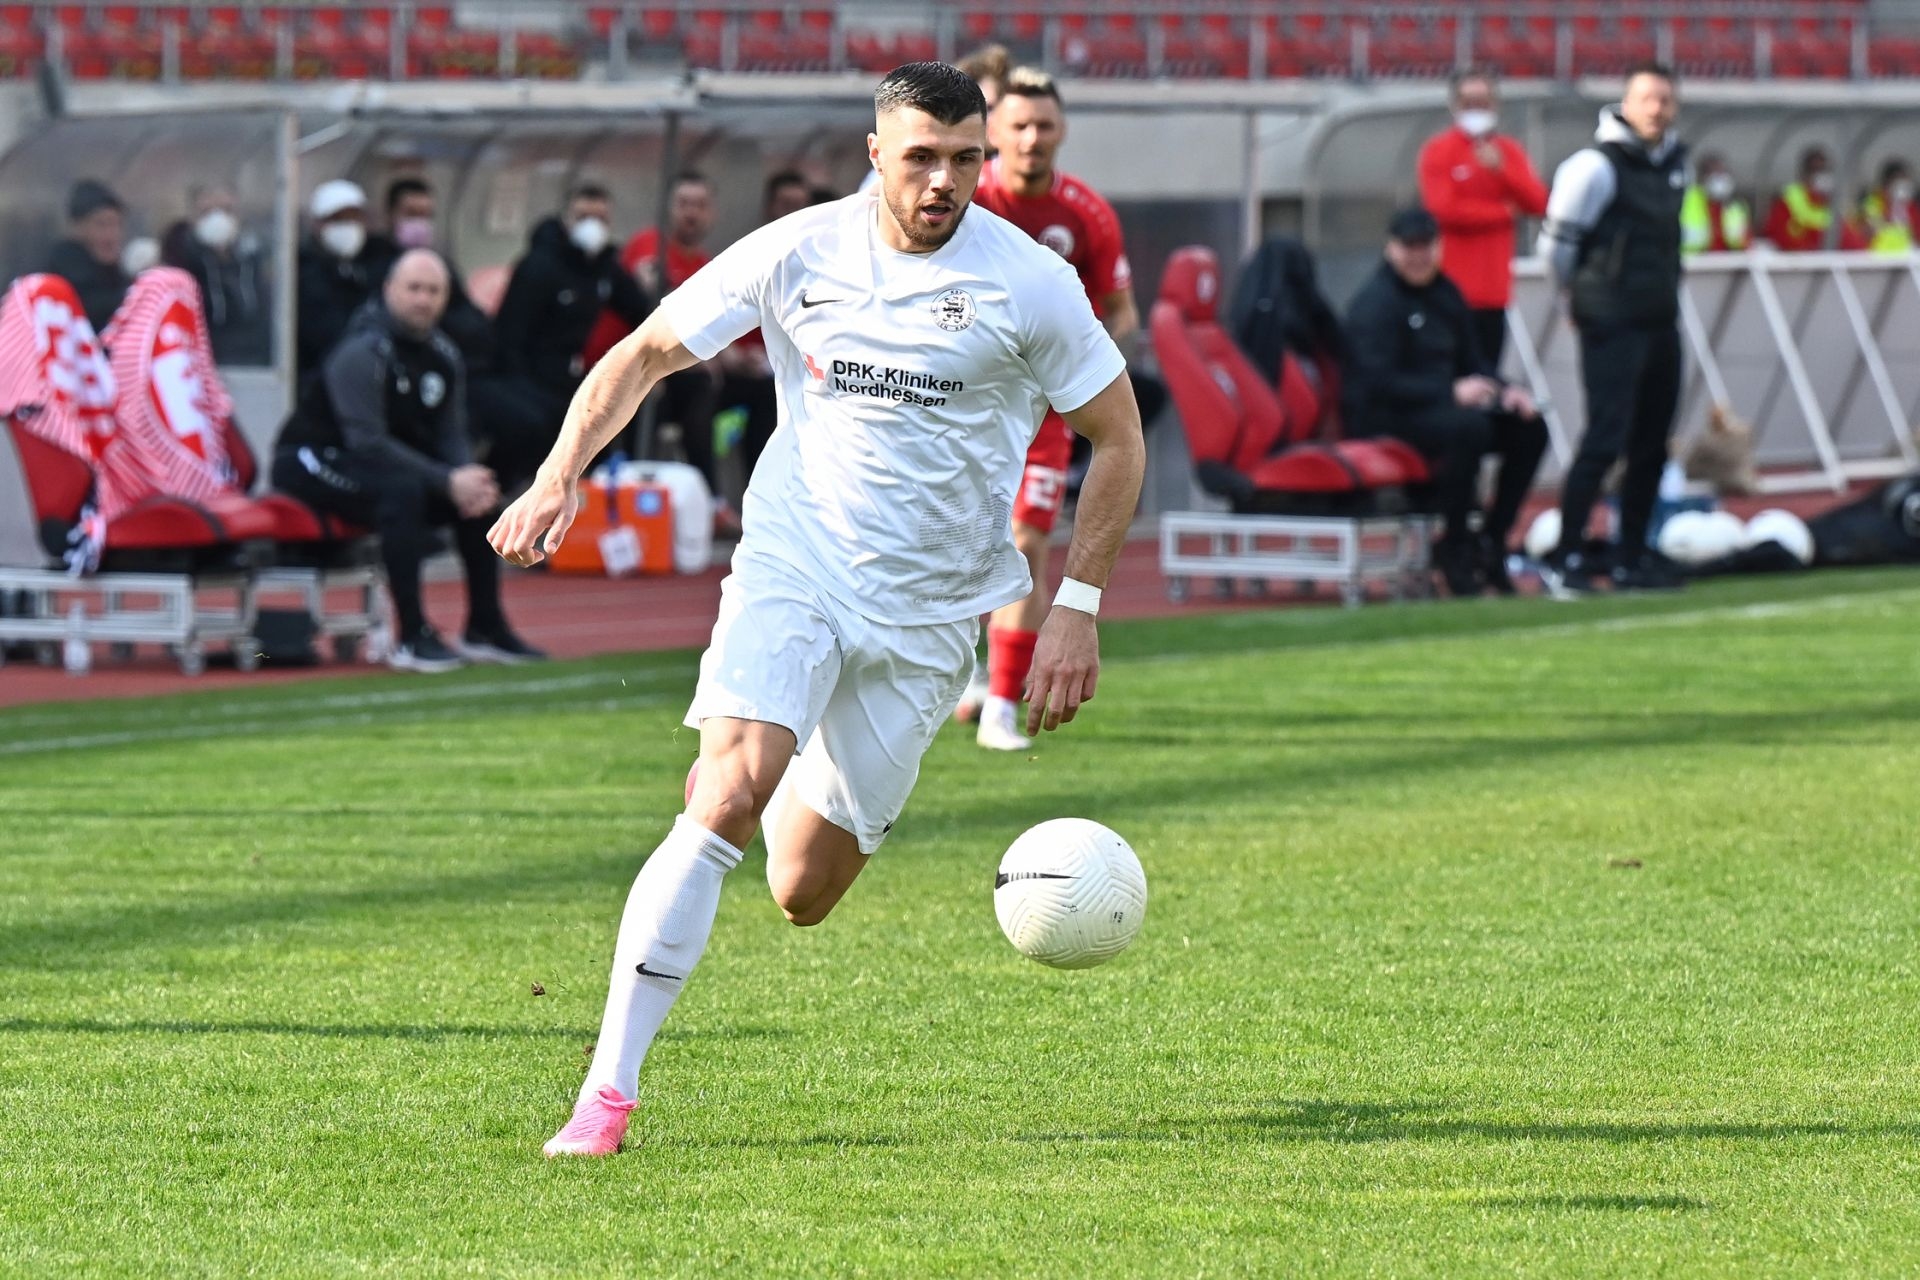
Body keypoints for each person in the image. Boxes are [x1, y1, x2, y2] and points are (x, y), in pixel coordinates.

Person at [489, 62, 1143, 1158]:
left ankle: (776, 751)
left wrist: (1075, 606)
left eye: (964, 160)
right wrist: (559, 475)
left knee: (800, 890)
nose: (943, 182)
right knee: (726, 792)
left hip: (931, 615)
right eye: (921, 157)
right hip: (798, 564)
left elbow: (1118, 436)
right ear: (876, 153)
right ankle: (605, 1093)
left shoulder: (1030, 281)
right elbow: (646, 352)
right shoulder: (800, 248)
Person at [964, 65, 1137, 752]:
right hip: (961, 408)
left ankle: (1000, 705)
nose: (1032, 138)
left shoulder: (1086, 213)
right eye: (1019, 125)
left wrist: (1083, 363)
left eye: (1044, 125)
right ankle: (961, 674)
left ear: (1061, 130)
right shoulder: (966, 199)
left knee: (1024, 546)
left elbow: (1122, 308)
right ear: (995, 132)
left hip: (1042, 416)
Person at [272, 249, 543, 672]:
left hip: (378, 465)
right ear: (389, 290)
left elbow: (450, 432)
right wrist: (446, 480)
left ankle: (485, 626)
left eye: (433, 291)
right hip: (314, 460)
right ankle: (412, 635)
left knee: (480, 497)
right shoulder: (363, 350)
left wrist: (465, 477)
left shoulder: (442, 354)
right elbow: (367, 442)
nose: (423, 299)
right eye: (414, 288)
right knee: (404, 493)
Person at [1537, 63, 1689, 595]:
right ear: (1626, 103)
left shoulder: (1676, 165)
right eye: (1647, 98)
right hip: (1612, 319)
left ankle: (1631, 556)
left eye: (1665, 99)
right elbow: (1556, 247)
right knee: (1604, 440)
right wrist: (1575, 298)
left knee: (1652, 444)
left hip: (1660, 319)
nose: (1656, 109)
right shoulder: (1594, 167)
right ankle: (1566, 556)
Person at [1344, 207, 1547, 597]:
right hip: (1389, 415)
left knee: (1529, 428)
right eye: (1410, 247)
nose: (1419, 256)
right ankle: (1454, 545)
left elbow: (1472, 360)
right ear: (1391, 248)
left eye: (1426, 246)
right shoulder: (1376, 304)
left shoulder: (1446, 294)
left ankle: (1492, 541)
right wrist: (1449, 392)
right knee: (1468, 428)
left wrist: (1506, 390)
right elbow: (1375, 381)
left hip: (1440, 410)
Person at [490, 184, 654, 487]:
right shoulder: (539, 266)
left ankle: (617, 490)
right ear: (566, 219)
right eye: (583, 217)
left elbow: (640, 309)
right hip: (533, 378)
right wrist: (520, 386)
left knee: (622, 406)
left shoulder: (603, 267)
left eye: (601, 218)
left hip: (572, 376)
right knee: (542, 424)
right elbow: (510, 335)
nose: (592, 226)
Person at [1415, 67, 1549, 368]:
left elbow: (1539, 202)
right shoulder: (1438, 151)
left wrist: (1502, 170)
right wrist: (1502, 212)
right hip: (1451, 291)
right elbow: (1442, 209)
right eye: (1468, 102)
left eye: (1483, 102)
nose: (1476, 109)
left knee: (1487, 376)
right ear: (1455, 105)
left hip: (1494, 293)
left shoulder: (1508, 152)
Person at [159, 183, 272, 366]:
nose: (218, 219)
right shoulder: (181, 265)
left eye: (226, 211)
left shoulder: (252, 262)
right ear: (193, 218)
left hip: (252, 365)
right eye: (207, 212)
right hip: (198, 366)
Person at [296, 179, 377, 385]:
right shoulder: (302, 271)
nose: (348, 227)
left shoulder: (371, 267)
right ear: (317, 224)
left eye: (354, 218)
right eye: (338, 219)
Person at [45, 178, 131, 333]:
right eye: (101, 224)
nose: (111, 235)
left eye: (116, 224)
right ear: (76, 228)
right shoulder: (65, 273)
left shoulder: (115, 274)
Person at [1763, 147, 1838, 252]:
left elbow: (1846, 236)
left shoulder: (1833, 201)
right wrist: (1807, 249)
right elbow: (1776, 232)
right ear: (1804, 173)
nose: (1819, 176)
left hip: (1826, 256)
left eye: (1823, 171)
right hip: (1797, 257)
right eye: (1814, 171)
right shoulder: (1790, 197)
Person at [1681, 153, 1751, 254]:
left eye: (1723, 173)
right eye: (1715, 173)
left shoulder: (1736, 206)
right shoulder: (1686, 201)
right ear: (1702, 177)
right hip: (1695, 260)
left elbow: (1745, 241)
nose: (1720, 179)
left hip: (1728, 260)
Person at [1845, 159, 1919, 254]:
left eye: (1905, 180)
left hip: (1907, 257)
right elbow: (1865, 228)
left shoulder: (1910, 206)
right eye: (1898, 180)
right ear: (1887, 182)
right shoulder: (1872, 202)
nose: (1902, 185)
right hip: (1876, 257)